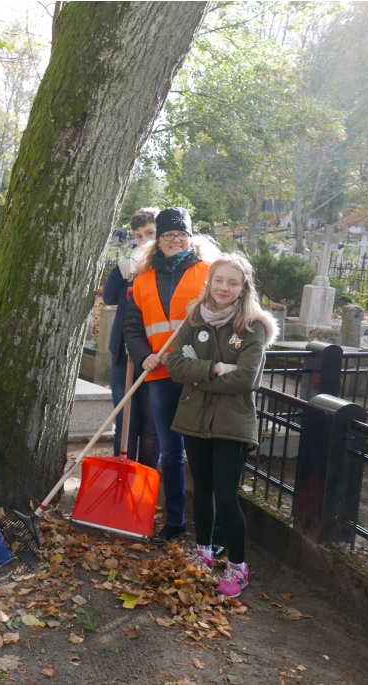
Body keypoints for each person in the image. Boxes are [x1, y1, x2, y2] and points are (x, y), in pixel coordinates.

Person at [167, 253, 278, 597]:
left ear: (244, 286)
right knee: (201, 489)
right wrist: (216, 370)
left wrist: (198, 370)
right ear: (209, 282)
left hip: (232, 422)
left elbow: (246, 379)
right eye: (219, 281)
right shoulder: (195, 318)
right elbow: (174, 366)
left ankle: (237, 567)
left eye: (232, 282)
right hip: (194, 418)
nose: (224, 288)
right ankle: (203, 554)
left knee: (226, 497)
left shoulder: (253, 325)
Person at [124, 207, 218, 545]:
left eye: (182, 235)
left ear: (190, 237)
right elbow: (132, 328)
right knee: (171, 451)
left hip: (196, 375)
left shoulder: (209, 274)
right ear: (158, 241)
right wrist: (142, 354)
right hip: (160, 375)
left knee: (204, 450)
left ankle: (213, 529)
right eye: (169, 235)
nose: (176, 240)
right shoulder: (142, 281)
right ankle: (175, 521)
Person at [102, 207, 160, 467]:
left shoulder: (165, 271)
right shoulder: (131, 269)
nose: (144, 240)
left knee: (150, 427)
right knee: (125, 424)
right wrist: (119, 270)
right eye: (138, 236)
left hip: (153, 358)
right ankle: (120, 483)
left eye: (150, 233)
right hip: (123, 357)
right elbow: (109, 298)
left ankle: (143, 484)